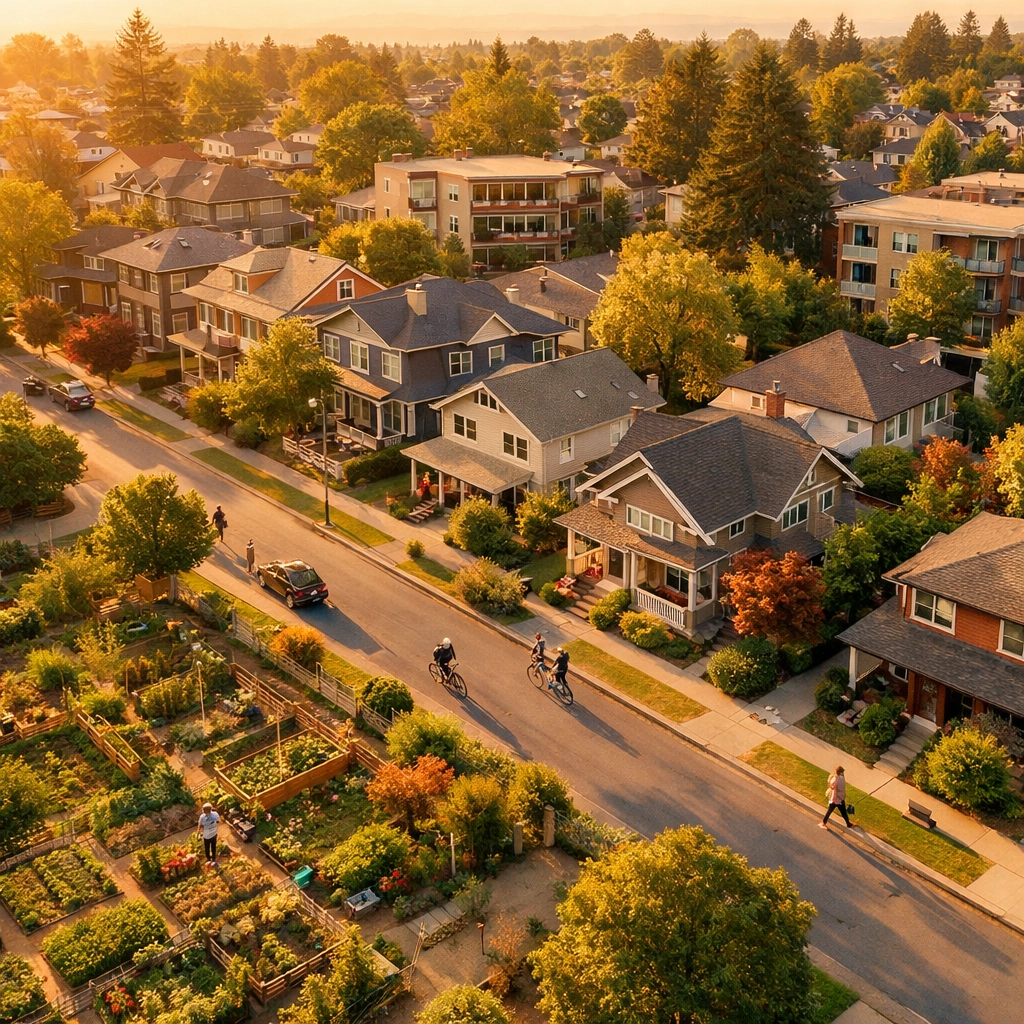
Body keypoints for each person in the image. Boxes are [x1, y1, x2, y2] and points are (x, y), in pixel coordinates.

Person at [198, 802, 221, 866]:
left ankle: (208, 858)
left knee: (207, 847)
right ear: (211, 809)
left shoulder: (202, 817)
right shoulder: (215, 814)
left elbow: (200, 826)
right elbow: (218, 821)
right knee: (213, 846)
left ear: (203, 810)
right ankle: (213, 858)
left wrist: (199, 833)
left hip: (206, 835)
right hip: (214, 833)